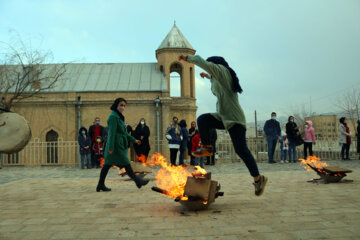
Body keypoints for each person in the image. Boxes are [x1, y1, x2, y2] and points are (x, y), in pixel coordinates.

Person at [179, 54, 267, 196]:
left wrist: (188, 58)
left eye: (211, 70)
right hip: (223, 117)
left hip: (235, 119)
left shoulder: (222, 71)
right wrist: (207, 76)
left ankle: (258, 179)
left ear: (216, 65)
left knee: (241, 150)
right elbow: (215, 78)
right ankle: (207, 147)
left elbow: (208, 65)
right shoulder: (218, 76)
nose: (211, 73)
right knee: (202, 120)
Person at [96, 98, 149, 192]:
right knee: (126, 163)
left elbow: (124, 132)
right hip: (115, 146)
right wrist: (111, 147)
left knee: (107, 165)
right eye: (121, 105)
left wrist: (134, 140)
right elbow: (111, 133)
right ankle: (138, 181)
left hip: (118, 144)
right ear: (116, 105)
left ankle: (100, 185)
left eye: (124, 105)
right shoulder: (113, 117)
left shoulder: (118, 116)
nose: (123, 107)